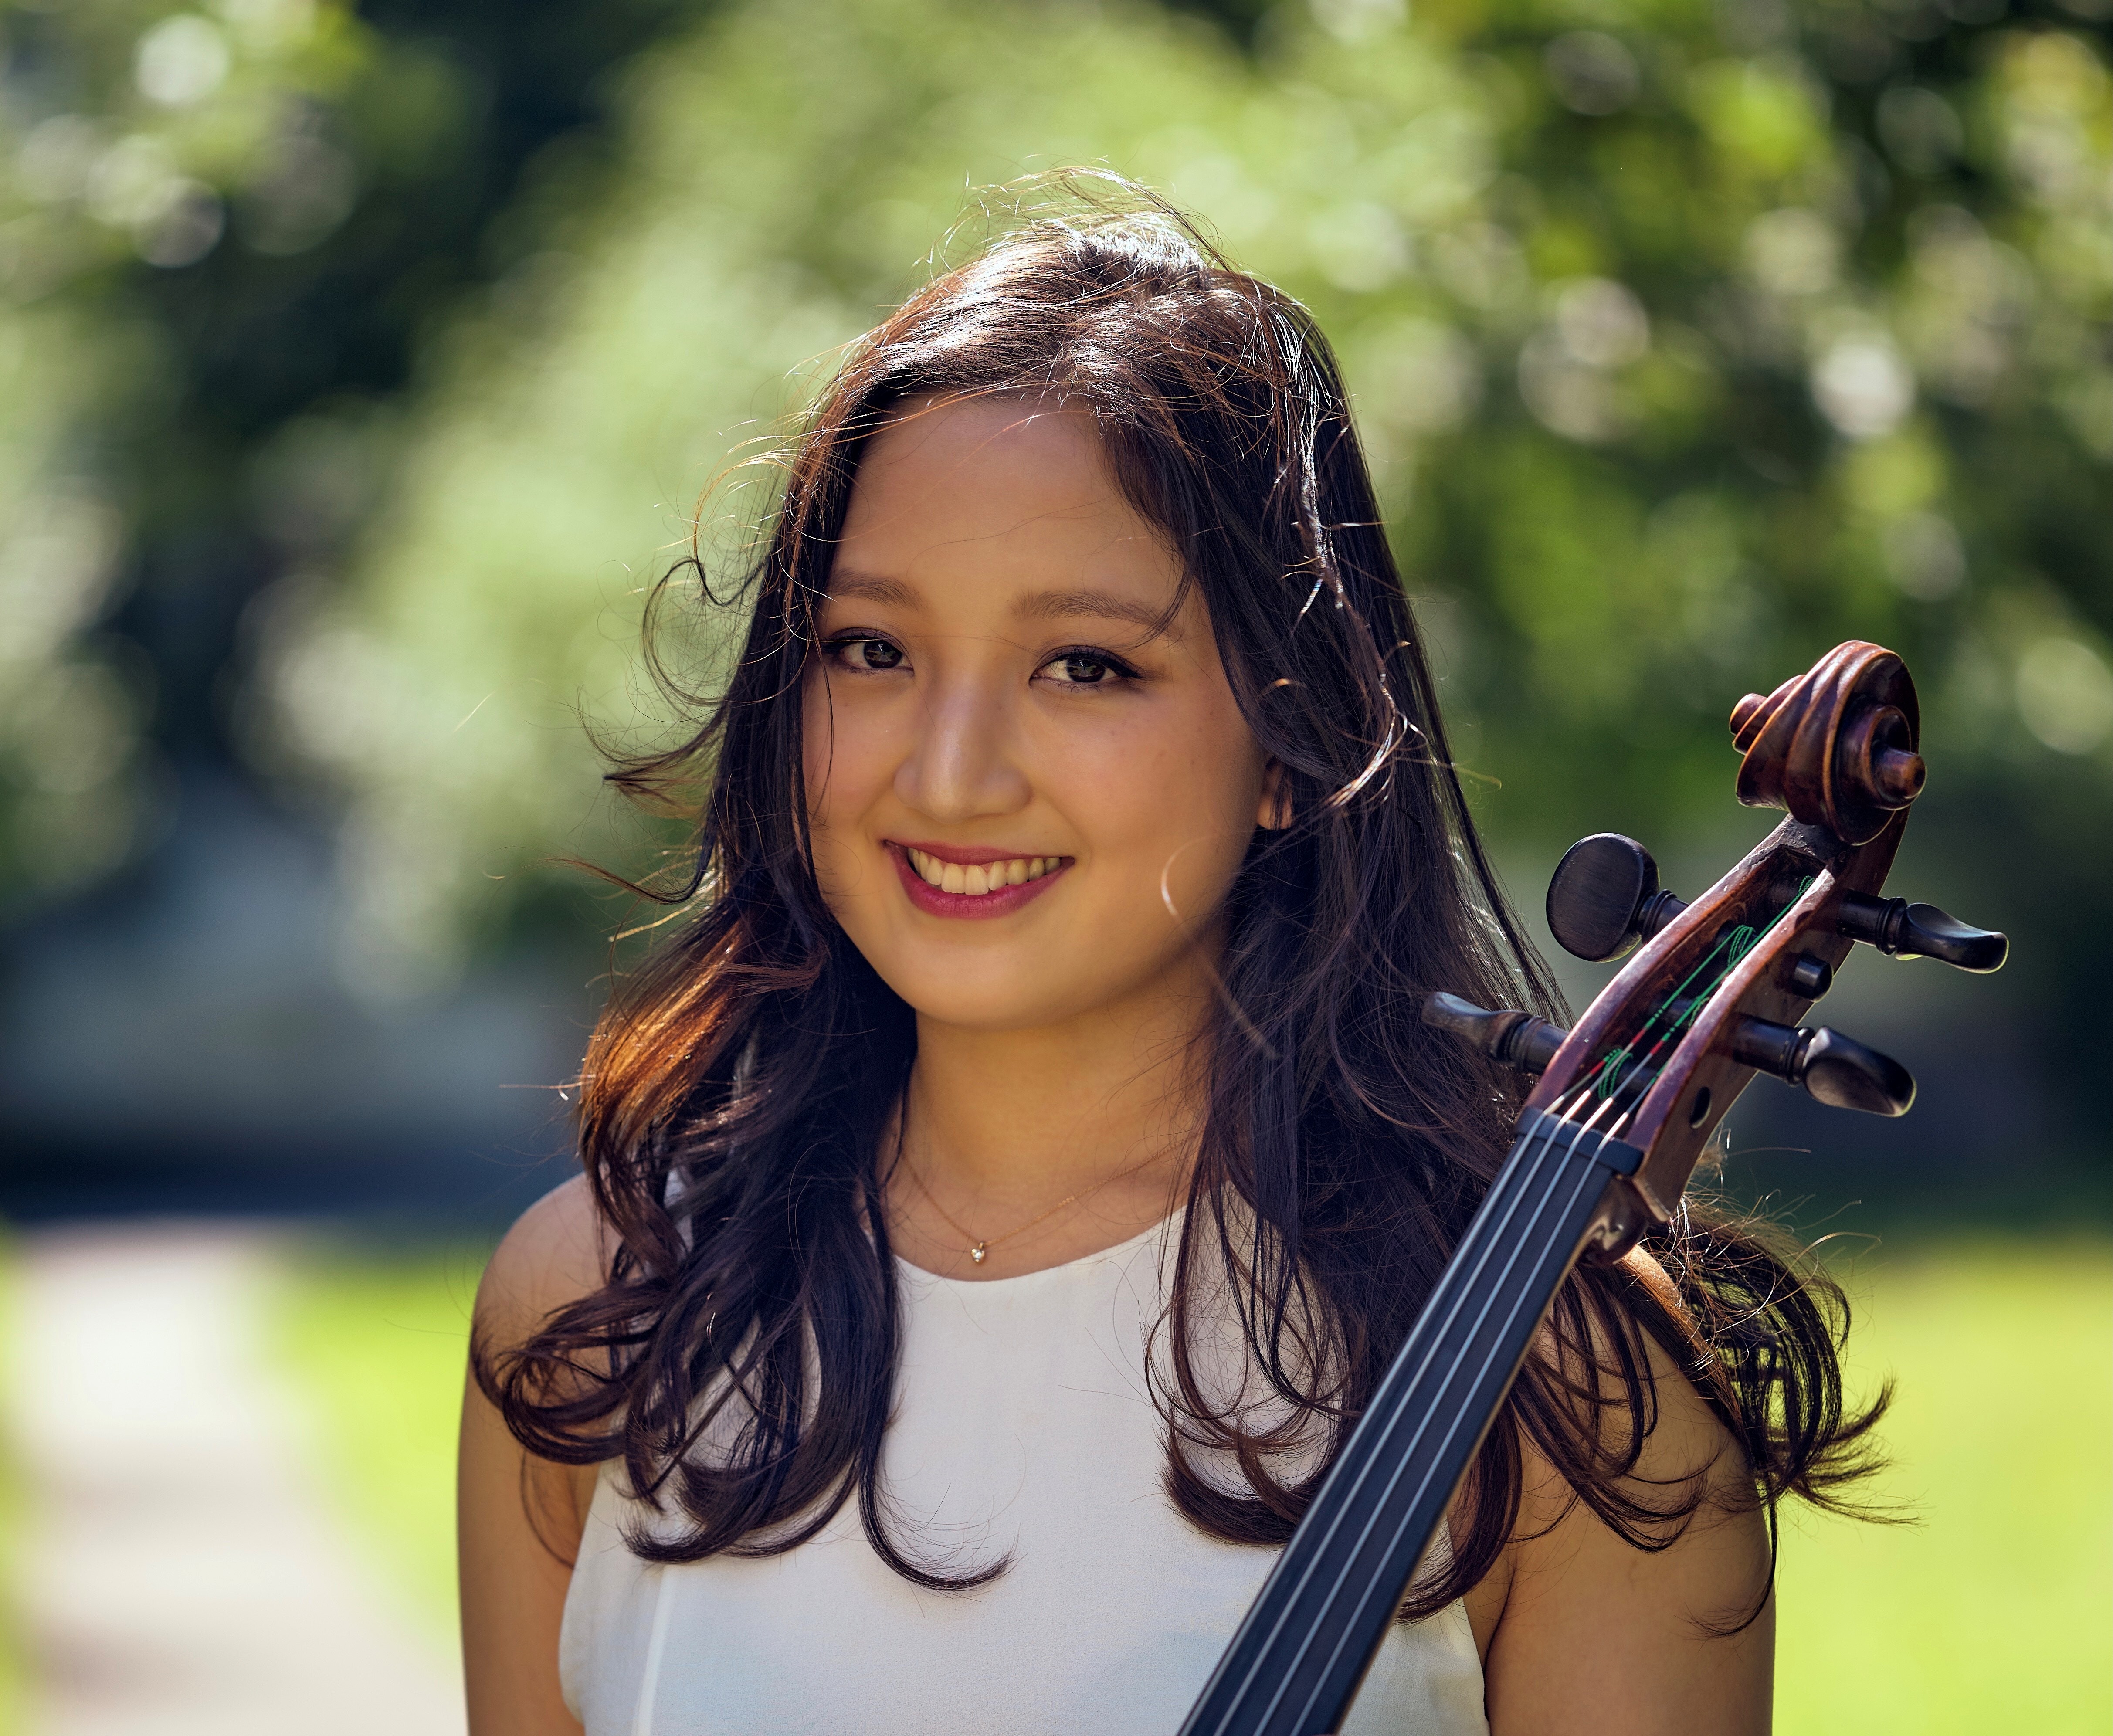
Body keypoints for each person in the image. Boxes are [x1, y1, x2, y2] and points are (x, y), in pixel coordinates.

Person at [458, 180, 1878, 1736]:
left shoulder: (1561, 1391)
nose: (946, 775)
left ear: (1290, 742)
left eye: (1085, 665)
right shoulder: (603, 1308)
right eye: (872, 650)